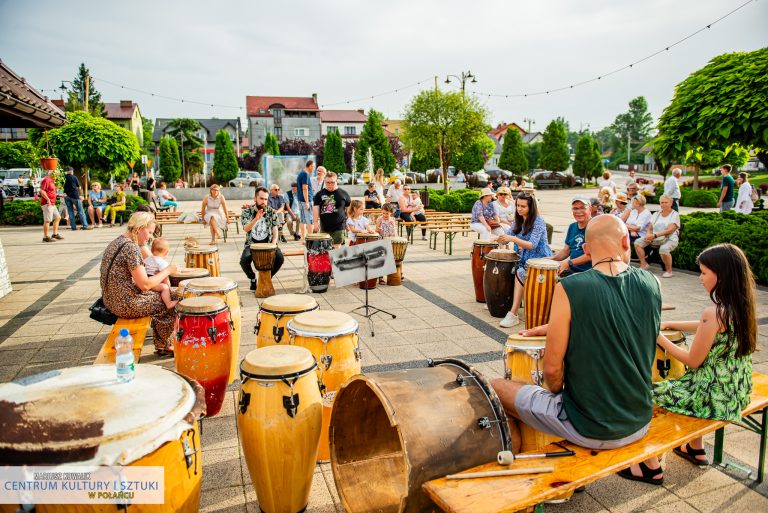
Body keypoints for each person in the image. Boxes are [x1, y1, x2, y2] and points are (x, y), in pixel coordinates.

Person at [491, 215, 661, 453]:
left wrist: (555, 393)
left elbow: (552, 371)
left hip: (590, 427)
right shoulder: (652, 282)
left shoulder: (570, 288)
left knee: (495, 387)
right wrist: (558, 326)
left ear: (586, 249)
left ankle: (517, 468)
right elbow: (620, 316)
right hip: (640, 419)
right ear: (625, 242)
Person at [619, 243, 755, 485]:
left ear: (721, 275)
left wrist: (657, 336)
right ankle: (694, 447)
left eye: (703, 272)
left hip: (711, 396)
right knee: (678, 382)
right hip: (736, 390)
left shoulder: (714, 312)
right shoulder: (741, 307)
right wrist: (672, 325)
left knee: (638, 393)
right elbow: (707, 326)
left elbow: (693, 360)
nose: (700, 278)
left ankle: (648, 465)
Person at [101, 211, 179, 354]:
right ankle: (165, 344)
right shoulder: (131, 248)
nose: (150, 237)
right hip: (125, 303)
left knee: (165, 294)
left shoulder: (118, 242)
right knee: (172, 298)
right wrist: (167, 270)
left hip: (111, 299)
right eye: (149, 232)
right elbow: (144, 285)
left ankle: (163, 342)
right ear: (139, 229)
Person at [495, 192, 553, 328]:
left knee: (520, 272)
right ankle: (499, 301)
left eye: (523, 206)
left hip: (541, 259)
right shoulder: (519, 219)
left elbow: (532, 245)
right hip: (526, 259)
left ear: (531, 207)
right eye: (517, 206)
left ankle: (513, 313)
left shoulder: (538, 221)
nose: (519, 209)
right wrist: (496, 238)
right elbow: (508, 234)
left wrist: (513, 239)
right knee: (508, 268)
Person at [240, 186, 283, 291]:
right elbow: (246, 229)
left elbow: (275, 230)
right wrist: (256, 219)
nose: (264, 201)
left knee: (280, 258)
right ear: (255, 199)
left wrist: (273, 244)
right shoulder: (247, 212)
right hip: (251, 244)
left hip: (268, 244)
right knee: (243, 261)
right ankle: (252, 278)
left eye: (266, 199)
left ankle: (267, 278)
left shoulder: (271, 211)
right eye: (261, 198)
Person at [634, 195, 680, 278]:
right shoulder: (656, 214)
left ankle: (669, 271)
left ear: (671, 203)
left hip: (670, 239)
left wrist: (654, 236)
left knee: (663, 249)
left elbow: (669, 230)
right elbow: (650, 228)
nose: (664, 204)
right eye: (662, 202)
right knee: (638, 243)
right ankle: (644, 264)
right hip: (655, 238)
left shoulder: (674, 214)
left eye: (666, 202)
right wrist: (648, 235)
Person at [551, 196, 593, 277]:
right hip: (572, 269)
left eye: (582, 208)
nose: (578, 211)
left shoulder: (595, 226)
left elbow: (592, 254)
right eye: (575, 208)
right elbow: (566, 251)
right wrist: (550, 259)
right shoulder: (572, 226)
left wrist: (568, 263)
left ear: (590, 209)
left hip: (588, 272)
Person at [313, 171, 352, 248]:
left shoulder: (344, 194)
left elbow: (348, 210)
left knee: (336, 247)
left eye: (332, 182)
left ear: (336, 181)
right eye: (328, 182)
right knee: (325, 248)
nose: (330, 184)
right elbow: (315, 209)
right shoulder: (319, 194)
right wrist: (315, 222)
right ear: (325, 182)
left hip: (339, 226)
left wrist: (349, 222)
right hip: (324, 226)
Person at [142, 237, 178, 310]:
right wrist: (169, 286)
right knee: (165, 287)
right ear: (167, 252)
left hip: (146, 281)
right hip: (153, 284)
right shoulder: (162, 263)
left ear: (151, 250)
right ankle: (168, 303)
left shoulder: (146, 260)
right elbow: (165, 277)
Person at [63, 166, 91, 230]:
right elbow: (79, 187)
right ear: (71, 171)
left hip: (66, 196)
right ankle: (85, 225)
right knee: (80, 211)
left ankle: (73, 227)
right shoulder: (74, 177)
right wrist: (79, 194)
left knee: (70, 211)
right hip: (75, 196)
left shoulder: (64, 178)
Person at [39, 169, 63, 243]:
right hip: (47, 203)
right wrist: (48, 199)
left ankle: (54, 234)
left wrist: (56, 189)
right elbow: (42, 191)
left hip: (52, 203)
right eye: (57, 175)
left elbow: (50, 190)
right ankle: (45, 237)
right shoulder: (46, 180)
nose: (57, 176)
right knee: (47, 220)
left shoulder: (52, 181)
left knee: (58, 217)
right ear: (52, 174)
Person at [296, 160, 315, 242]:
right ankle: (311, 239)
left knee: (303, 220)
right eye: (313, 167)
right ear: (310, 166)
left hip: (301, 200)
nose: (313, 169)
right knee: (310, 220)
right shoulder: (305, 174)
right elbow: (305, 188)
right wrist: (307, 202)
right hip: (306, 201)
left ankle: (304, 238)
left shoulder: (301, 173)